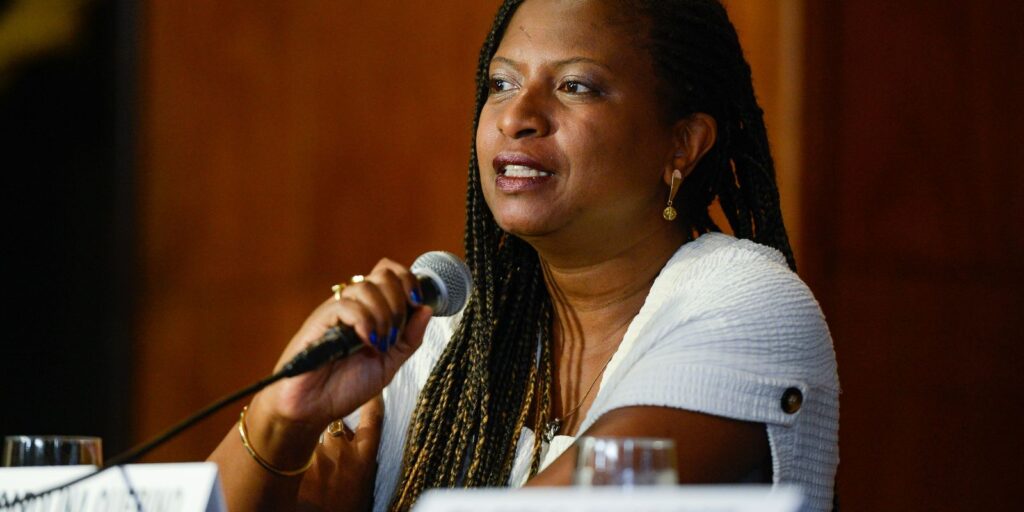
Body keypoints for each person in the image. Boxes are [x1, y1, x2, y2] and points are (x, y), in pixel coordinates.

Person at [208, 1, 840, 511]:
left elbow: (595, 497)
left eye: (575, 86)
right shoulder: (437, 335)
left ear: (682, 144)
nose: (518, 116)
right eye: (501, 83)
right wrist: (281, 418)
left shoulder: (746, 305)